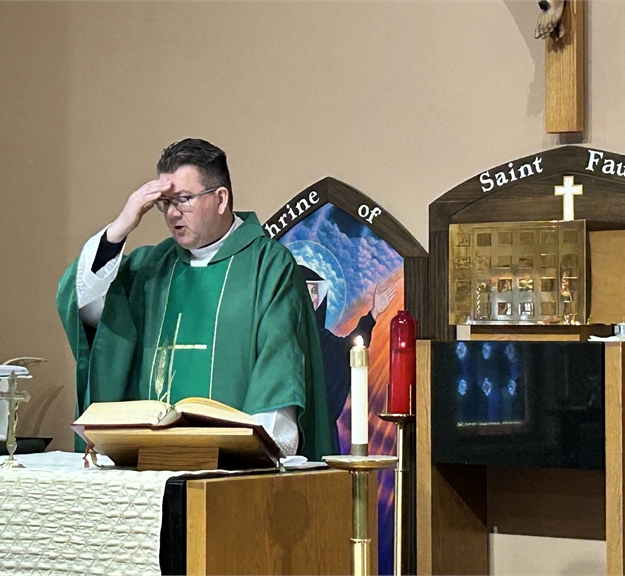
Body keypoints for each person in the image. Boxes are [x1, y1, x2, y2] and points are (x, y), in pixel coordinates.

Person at [56, 138, 333, 459]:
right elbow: (89, 310)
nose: (173, 213)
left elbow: (278, 368)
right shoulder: (150, 268)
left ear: (220, 199)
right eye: (165, 202)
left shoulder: (267, 265)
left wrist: (255, 454)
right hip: (148, 462)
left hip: (230, 466)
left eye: (184, 199)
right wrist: (118, 230)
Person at [300, 265, 395, 452]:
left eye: (315, 292)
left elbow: (351, 349)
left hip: (322, 438)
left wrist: (374, 313)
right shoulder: (280, 338)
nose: (311, 298)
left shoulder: (325, 341)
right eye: (306, 291)